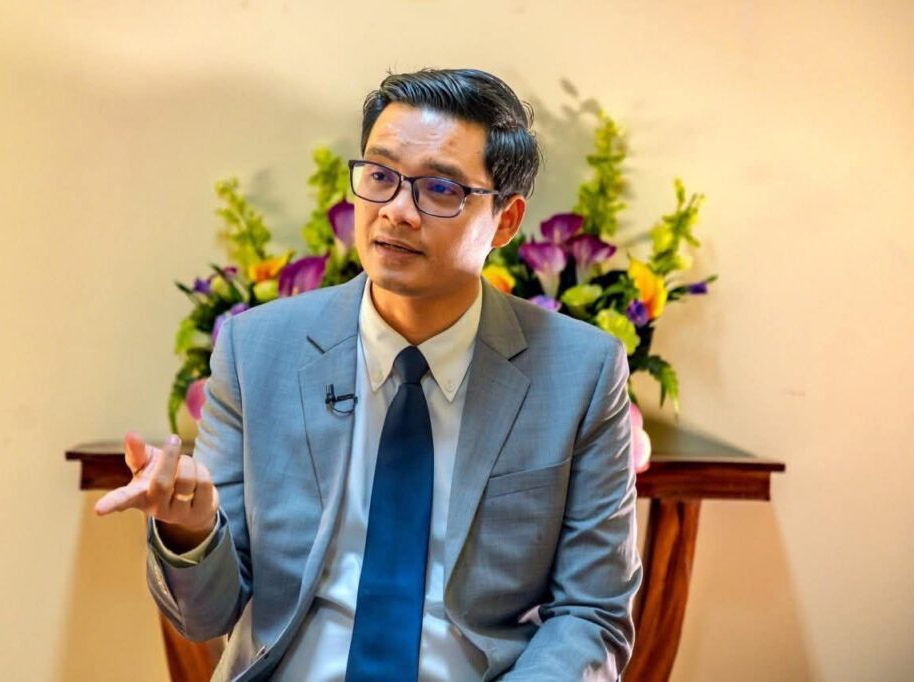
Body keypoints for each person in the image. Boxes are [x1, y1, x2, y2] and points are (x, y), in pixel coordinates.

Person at [96, 68, 642, 681]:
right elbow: (208, 615)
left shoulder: (580, 372)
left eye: (440, 189)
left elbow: (592, 613)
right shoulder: (257, 351)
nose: (397, 213)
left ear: (506, 220)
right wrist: (191, 528)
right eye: (381, 177)